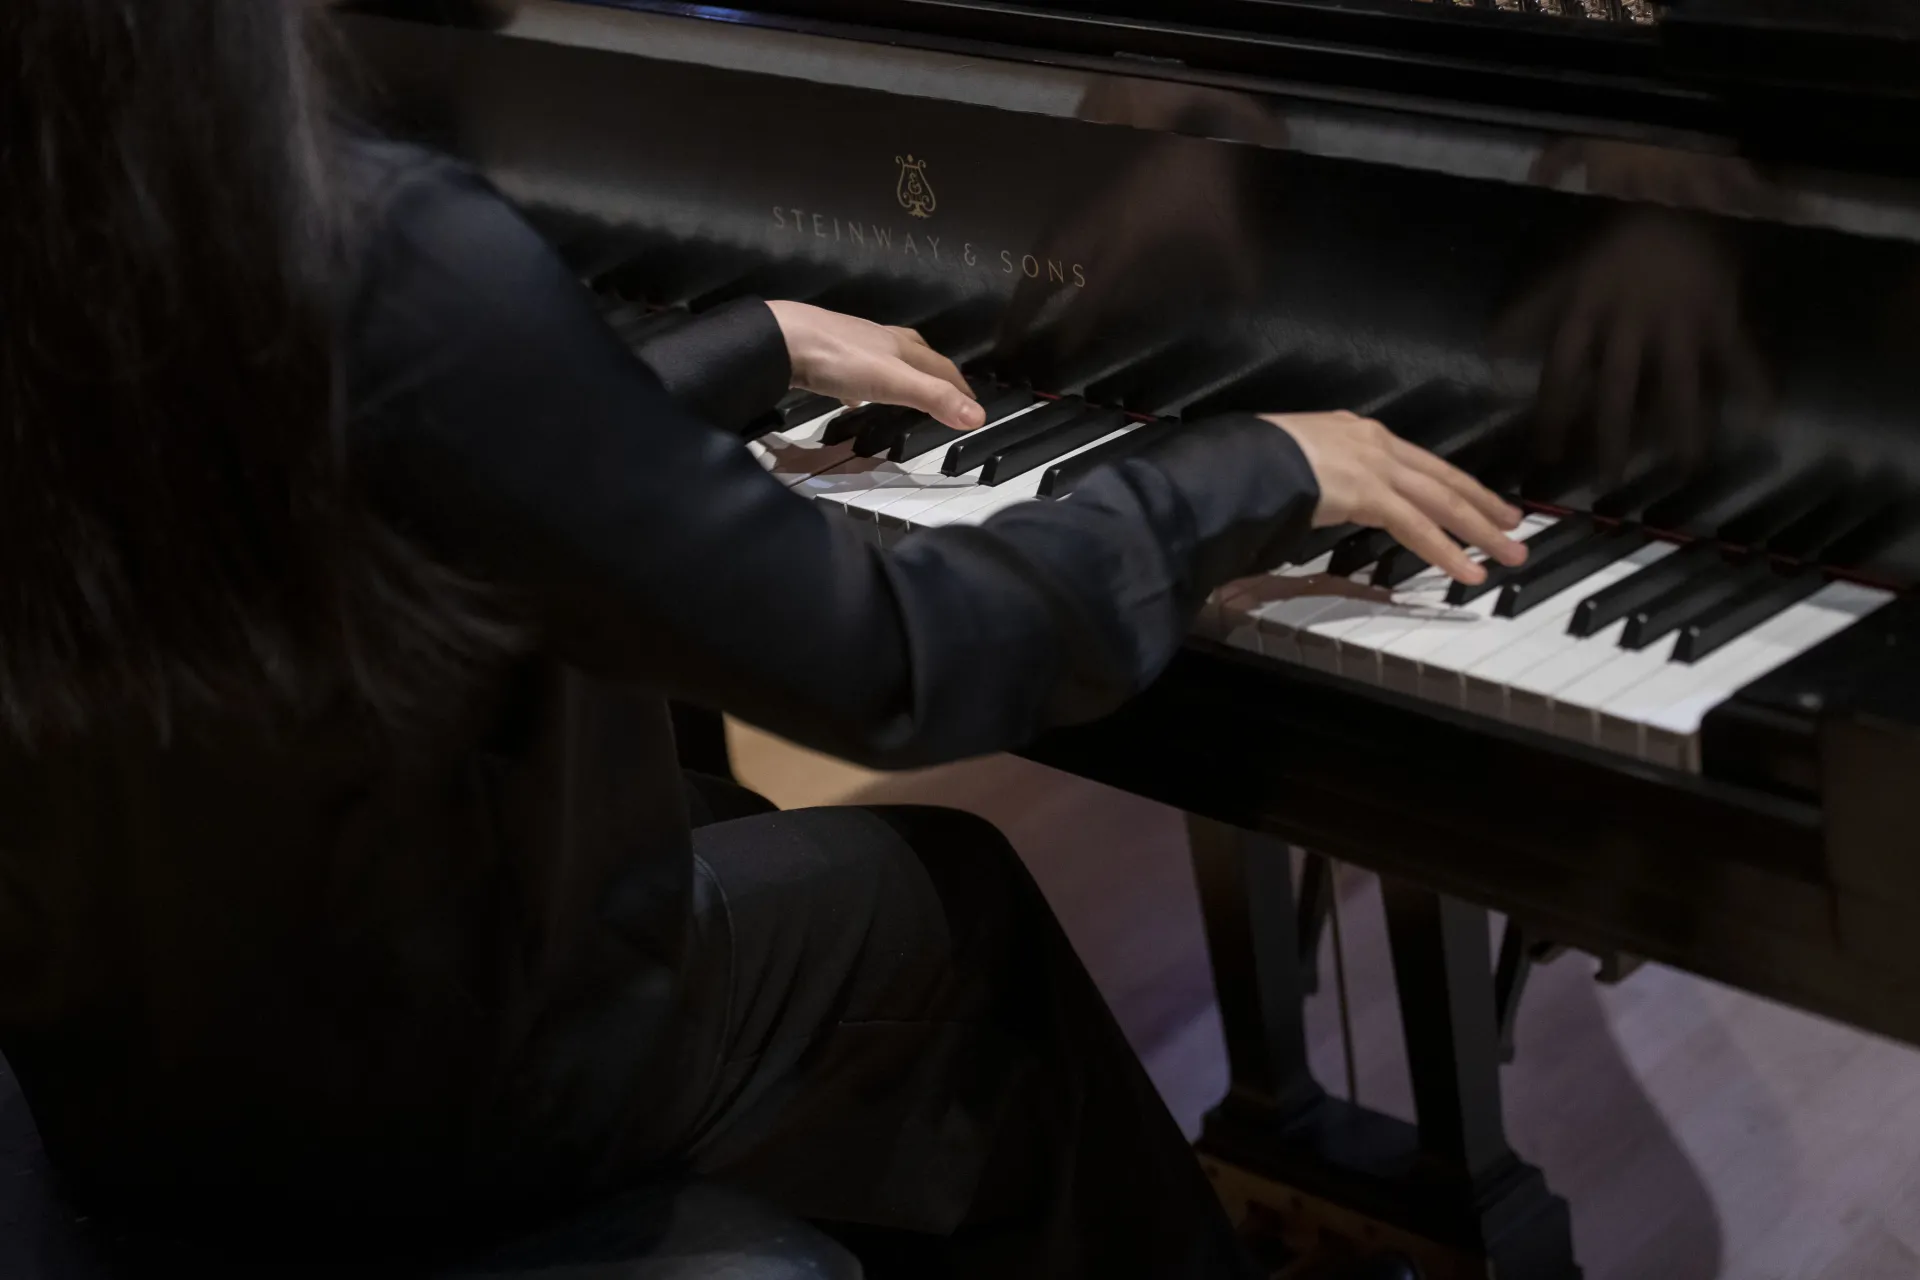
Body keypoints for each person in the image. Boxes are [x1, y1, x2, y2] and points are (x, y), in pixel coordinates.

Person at [0, 4, 1526, 1278]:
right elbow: (895, 665)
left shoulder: (105, 194)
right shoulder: (380, 251)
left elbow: (398, 468)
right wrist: (1238, 473)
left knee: (925, 895)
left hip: (145, 1071)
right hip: (424, 1111)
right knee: (948, 926)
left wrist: (740, 347)